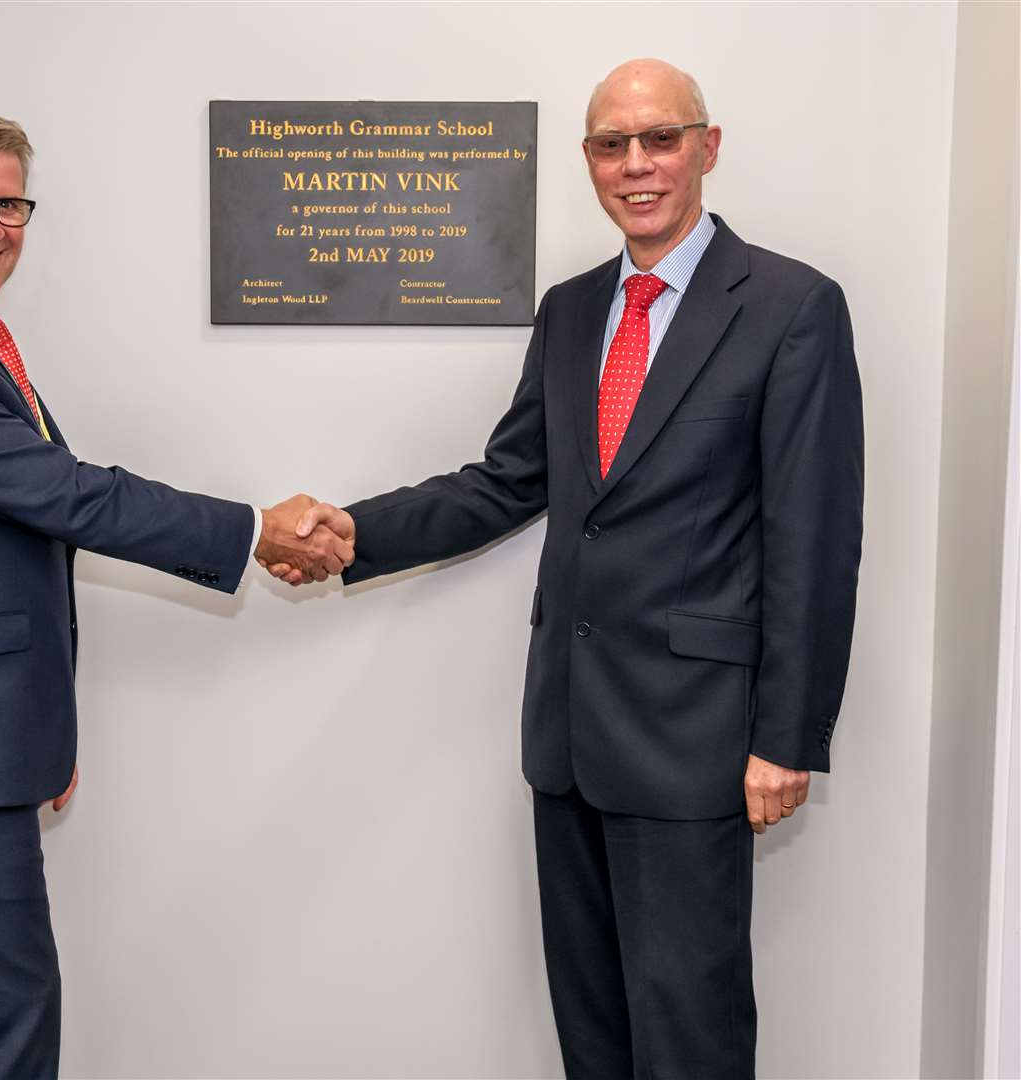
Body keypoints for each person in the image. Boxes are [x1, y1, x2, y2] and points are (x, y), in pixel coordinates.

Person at [272, 59, 863, 1077]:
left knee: (690, 1034)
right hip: (569, 738)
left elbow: (814, 535)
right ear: (589, 161)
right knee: (592, 1034)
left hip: (699, 744)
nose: (636, 165)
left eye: (659, 139)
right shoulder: (574, 308)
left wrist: (787, 738)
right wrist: (352, 532)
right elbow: (504, 483)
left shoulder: (790, 306)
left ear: (706, 148)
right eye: (610, 144)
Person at [0, 102, 349, 1078]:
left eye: (10, 205)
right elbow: (62, 495)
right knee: (5, 1018)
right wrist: (253, 530)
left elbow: (10, 531)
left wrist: (36, 724)